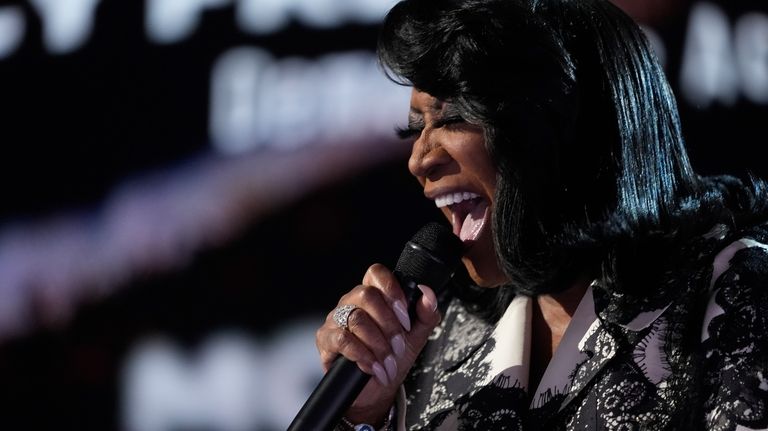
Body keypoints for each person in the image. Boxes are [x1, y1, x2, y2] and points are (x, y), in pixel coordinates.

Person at [314, 0, 768, 429]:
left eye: (453, 119)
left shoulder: (737, 291)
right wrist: (366, 413)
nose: (419, 160)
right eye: (415, 129)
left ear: (562, 126)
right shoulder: (443, 328)